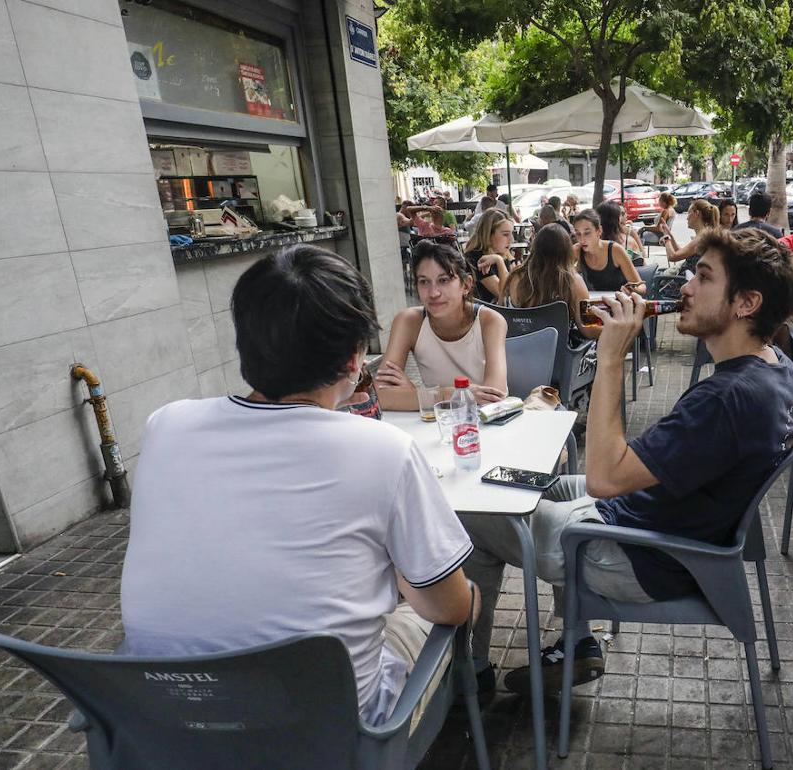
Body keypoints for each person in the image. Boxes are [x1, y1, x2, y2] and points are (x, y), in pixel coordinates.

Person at [120, 244, 476, 728]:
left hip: (170, 724)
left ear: (245, 343)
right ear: (355, 358)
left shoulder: (165, 426)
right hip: (331, 735)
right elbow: (449, 607)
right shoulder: (384, 450)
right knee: (457, 599)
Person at [461, 228, 793, 694]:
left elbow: (605, 478)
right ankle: (576, 643)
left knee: (470, 510)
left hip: (637, 554)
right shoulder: (774, 366)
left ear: (746, 303)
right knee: (520, 481)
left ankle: (470, 672)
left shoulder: (727, 399)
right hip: (656, 522)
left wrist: (609, 358)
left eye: (702, 277)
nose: (684, 287)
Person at [376, 240, 509, 408]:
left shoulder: (490, 321)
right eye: (424, 281)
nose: (433, 293)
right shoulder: (409, 321)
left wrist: (416, 394)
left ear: (466, 285)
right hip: (437, 424)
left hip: (488, 425)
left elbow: (492, 397)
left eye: (444, 280)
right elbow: (380, 395)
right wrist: (447, 395)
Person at [502, 222, 599, 339]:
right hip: (556, 354)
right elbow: (588, 329)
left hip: (516, 352)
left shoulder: (515, 277)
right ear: (566, 251)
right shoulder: (573, 281)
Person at [575, 207, 646, 294]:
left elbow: (642, 287)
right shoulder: (577, 251)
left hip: (619, 303)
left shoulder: (615, 250)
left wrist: (634, 289)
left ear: (599, 231)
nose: (582, 240)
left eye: (587, 233)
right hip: (592, 305)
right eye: (578, 234)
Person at [461, 209, 514, 303]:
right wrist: (499, 261)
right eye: (505, 234)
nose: (511, 240)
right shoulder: (475, 257)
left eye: (511, 234)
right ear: (489, 234)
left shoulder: (502, 254)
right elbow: (504, 296)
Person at [662, 199, 720, 273]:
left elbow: (673, 257)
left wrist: (667, 239)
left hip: (687, 281)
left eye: (689, 213)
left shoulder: (701, 238)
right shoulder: (705, 234)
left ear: (696, 213)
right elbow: (681, 252)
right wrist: (668, 233)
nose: (687, 218)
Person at [597, 201, 646, 273]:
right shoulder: (627, 241)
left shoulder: (629, 236)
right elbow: (642, 266)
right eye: (621, 214)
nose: (624, 217)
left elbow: (641, 260)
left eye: (623, 213)